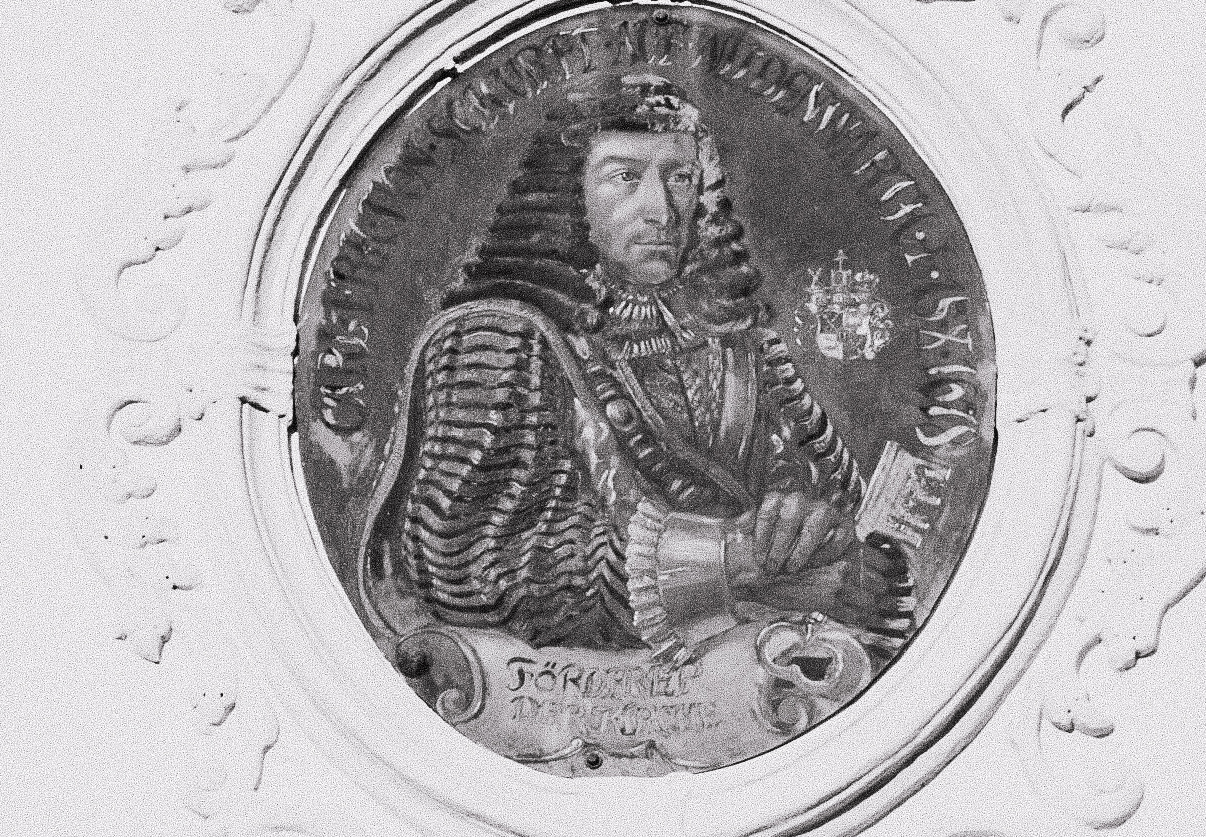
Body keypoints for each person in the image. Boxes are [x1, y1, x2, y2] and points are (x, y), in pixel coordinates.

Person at [359, 70, 916, 664]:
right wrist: (731, 560)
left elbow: (830, 490)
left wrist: (814, 533)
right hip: (573, 686)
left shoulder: (734, 338)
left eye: (680, 178)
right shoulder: (495, 339)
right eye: (625, 177)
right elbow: (470, 570)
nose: (661, 209)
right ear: (570, 192)